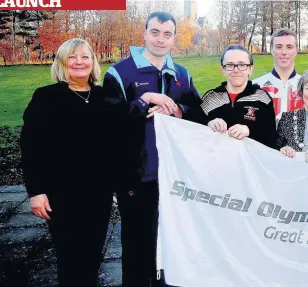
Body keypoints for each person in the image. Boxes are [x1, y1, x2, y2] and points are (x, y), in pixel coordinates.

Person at [102, 11, 205, 286]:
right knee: (137, 245)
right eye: (155, 32)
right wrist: (144, 100)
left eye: (167, 34)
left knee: (171, 244)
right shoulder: (120, 72)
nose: (161, 39)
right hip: (136, 175)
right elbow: (109, 121)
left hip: (174, 176)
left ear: (174, 39)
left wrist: (178, 110)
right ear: (145, 33)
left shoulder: (181, 74)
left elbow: (198, 113)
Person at [20, 38, 125, 286]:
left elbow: (118, 143)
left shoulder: (105, 98)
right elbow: (31, 146)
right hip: (61, 194)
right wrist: (36, 191)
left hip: (97, 193)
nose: (79, 62)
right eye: (72, 57)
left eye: (85, 56)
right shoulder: (46, 97)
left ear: (93, 62)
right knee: (69, 257)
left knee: (92, 255)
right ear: (62, 63)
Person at [202, 45, 276, 148]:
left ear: (250, 69)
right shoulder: (210, 98)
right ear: (223, 69)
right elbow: (195, 134)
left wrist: (250, 130)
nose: (236, 70)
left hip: (250, 162)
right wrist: (208, 124)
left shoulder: (262, 98)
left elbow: (271, 139)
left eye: (242, 65)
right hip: (218, 161)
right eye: (230, 65)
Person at [253, 28, 303, 121]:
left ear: (296, 50)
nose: (284, 52)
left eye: (289, 47)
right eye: (279, 47)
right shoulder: (254, 86)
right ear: (272, 50)